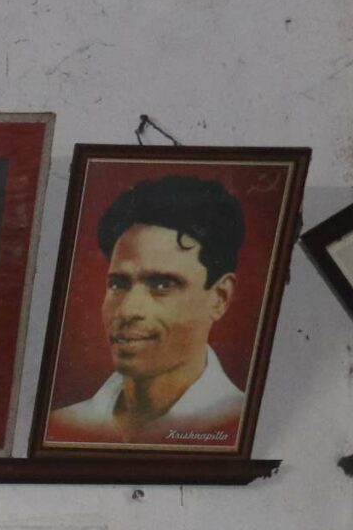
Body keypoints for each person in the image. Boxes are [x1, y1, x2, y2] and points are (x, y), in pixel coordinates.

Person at [48, 174, 248, 446]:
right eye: (118, 284)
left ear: (220, 298)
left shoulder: (239, 422)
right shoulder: (64, 425)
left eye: (163, 284)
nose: (128, 310)